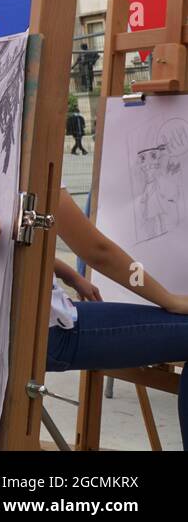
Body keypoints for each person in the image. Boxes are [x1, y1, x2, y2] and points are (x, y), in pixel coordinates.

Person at [48, 190, 188, 445]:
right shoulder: (33, 155)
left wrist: (69, 273)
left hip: (3, 330)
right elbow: (98, 251)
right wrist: (170, 300)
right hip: (47, 331)